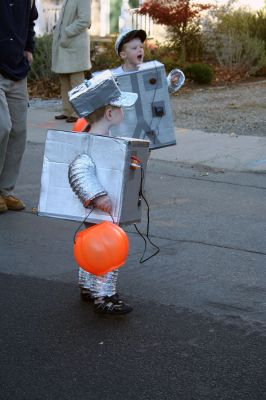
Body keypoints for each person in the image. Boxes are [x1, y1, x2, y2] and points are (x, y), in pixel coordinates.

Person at [68, 70, 139, 315]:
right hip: (100, 207)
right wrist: (99, 196)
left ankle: (88, 286)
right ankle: (104, 296)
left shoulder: (103, 136)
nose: (123, 111)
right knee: (108, 250)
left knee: (91, 245)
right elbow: (79, 169)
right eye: (120, 107)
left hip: (102, 209)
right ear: (110, 113)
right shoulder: (92, 140)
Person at [0, 0, 38, 214]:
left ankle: (4, 190)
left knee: (18, 131)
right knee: (2, 126)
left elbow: (30, 22)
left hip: (17, 69)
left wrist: (28, 48)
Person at [52, 0, 91, 123]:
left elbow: (84, 20)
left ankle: (78, 112)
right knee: (64, 80)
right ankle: (67, 111)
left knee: (77, 81)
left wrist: (66, 31)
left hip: (75, 45)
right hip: (66, 45)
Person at [112, 27, 184, 92]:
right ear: (123, 55)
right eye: (134, 48)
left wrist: (171, 82)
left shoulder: (149, 72)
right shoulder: (116, 78)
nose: (140, 50)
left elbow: (162, 87)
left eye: (141, 47)